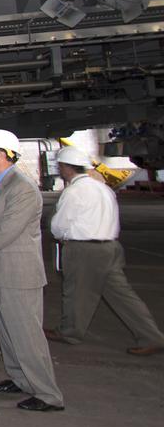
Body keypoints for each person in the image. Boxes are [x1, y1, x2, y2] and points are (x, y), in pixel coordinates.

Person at [0, 128, 64, 412]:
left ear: (1, 154)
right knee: (7, 331)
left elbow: (6, 230)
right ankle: (20, 378)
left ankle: (48, 394)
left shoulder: (22, 188)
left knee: (26, 336)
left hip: (16, 275)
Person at [45, 146, 164, 355]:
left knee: (76, 293)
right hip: (110, 248)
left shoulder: (73, 192)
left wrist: (59, 233)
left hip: (84, 250)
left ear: (66, 168)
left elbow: (59, 225)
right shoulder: (104, 188)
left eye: (61, 166)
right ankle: (152, 336)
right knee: (123, 296)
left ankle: (69, 332)